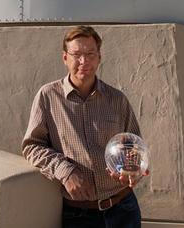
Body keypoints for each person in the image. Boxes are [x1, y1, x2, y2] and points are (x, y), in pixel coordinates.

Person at [22, 26, 148, 227]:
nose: (84, 61)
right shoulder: (48, 97)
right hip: (79, 215)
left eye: (90, 54)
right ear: (65, 58)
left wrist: (132, 169)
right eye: (76, 55)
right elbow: (32, 146)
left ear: (99, 57)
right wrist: (66, 171)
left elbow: (132, 144)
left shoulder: (117, 99)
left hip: (123, 209)